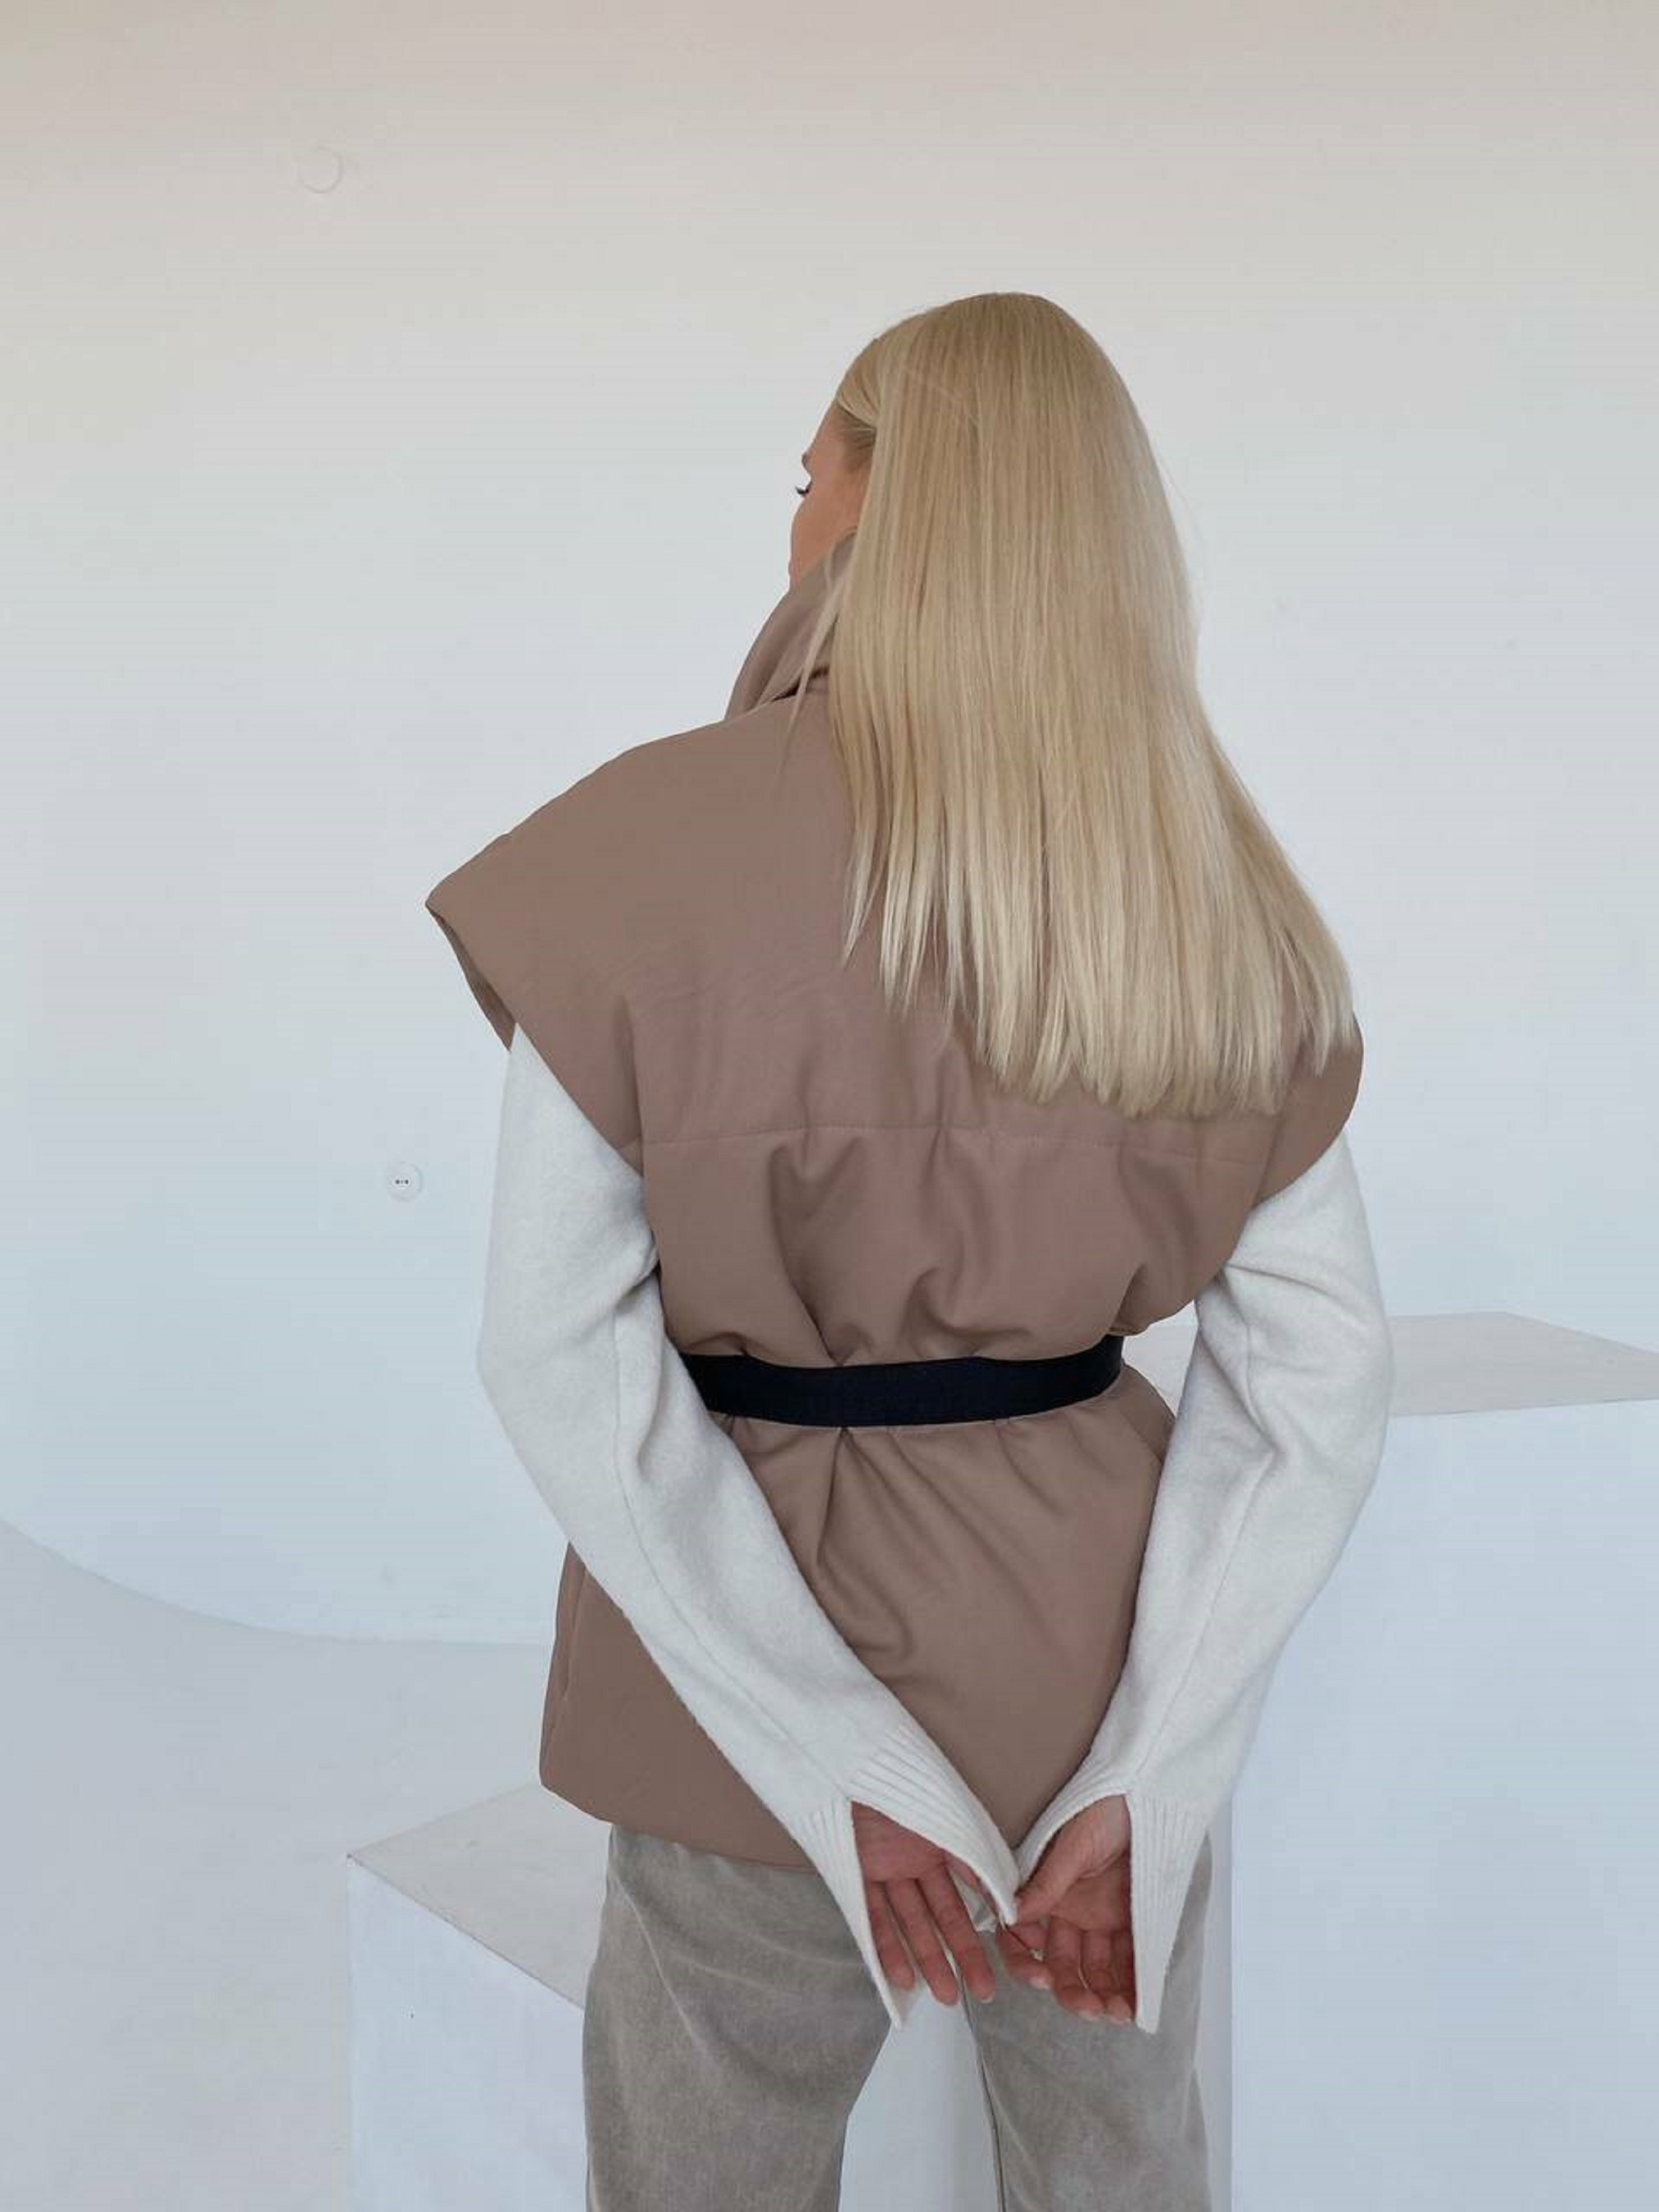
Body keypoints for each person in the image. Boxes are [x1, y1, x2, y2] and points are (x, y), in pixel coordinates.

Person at [424, 291, 1394, 2212]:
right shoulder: (1208, 885)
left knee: (703, 2173)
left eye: (807, 479)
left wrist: (823, 1754)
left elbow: (553, 1347)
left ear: (880, 502)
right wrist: (1150, 1767)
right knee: (1116, 2172)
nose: (791, 524)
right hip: (1090, 1664)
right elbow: (1319, 1376)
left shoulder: (634, 852)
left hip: (735, 1660)